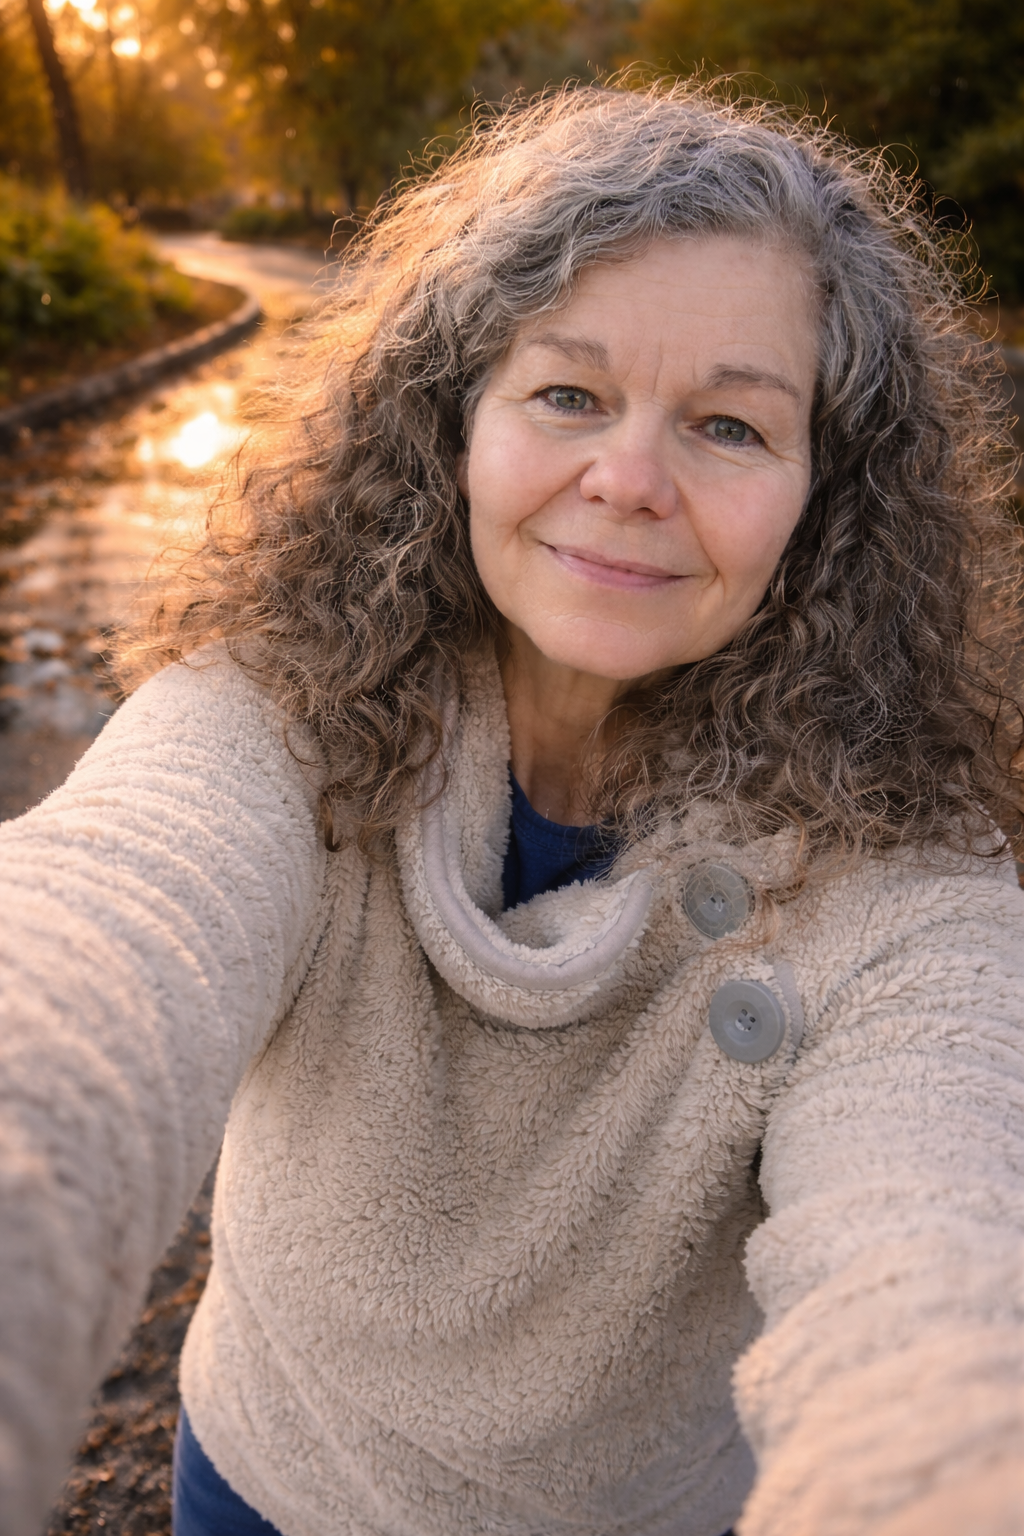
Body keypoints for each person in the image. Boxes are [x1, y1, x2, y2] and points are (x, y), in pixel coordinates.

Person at [1, 81, 1022, 1536]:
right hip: (268, 1481)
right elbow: (94, 942)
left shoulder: (904, 869)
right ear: (453, 423)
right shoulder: (278, 717)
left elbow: (929, 1261)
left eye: (731, 426)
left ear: (827, 498)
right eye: (568, 396)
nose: (630, 480)